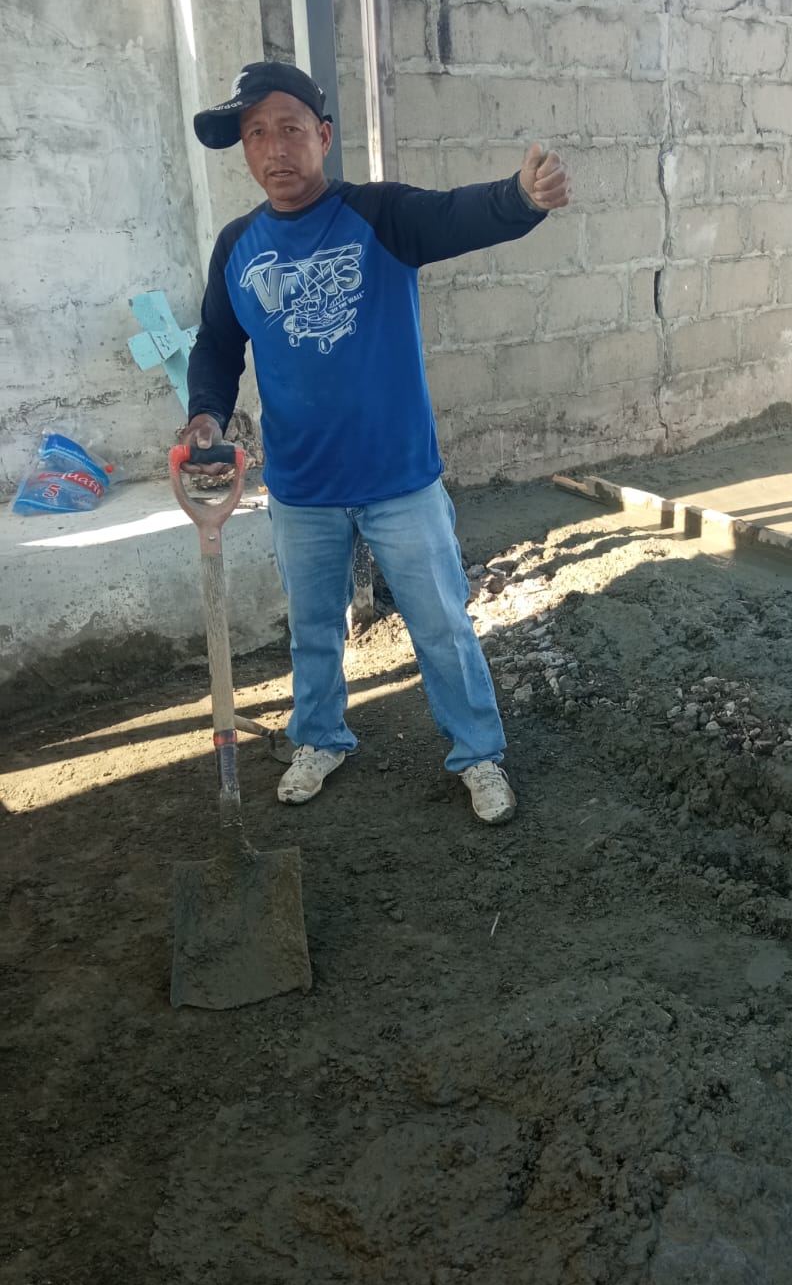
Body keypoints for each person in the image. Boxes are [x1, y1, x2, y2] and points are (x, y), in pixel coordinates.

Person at [181, 61, 570, 823]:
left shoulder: (377, 215)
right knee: (314, 629)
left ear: (323, 136)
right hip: (303, 486)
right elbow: (218, 345)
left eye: (290, 129)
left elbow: (457, 215)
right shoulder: (238, 246)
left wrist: (521, 198)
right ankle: (319, 738)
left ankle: (478, 753)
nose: (273, 149)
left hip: (399, 480)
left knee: (442, 625)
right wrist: (205, 414)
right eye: (255, 134)